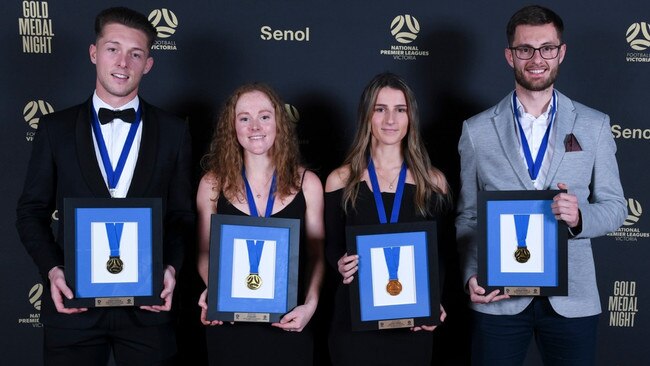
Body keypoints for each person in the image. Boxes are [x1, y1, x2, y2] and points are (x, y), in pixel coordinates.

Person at [15, 7, 194, 366]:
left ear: (148, 64)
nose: (123, 62)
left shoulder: (174, 131)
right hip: (73, 306)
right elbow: (30, 212)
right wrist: (53, 270)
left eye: (136, 53)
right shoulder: (54, 129)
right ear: (94, 53)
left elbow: (182, 215)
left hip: (148, 307)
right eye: (113, 49)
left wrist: (171, 269)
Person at [455, 5, 626, 365]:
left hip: (573, 300)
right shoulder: (477, 130)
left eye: (547, 48)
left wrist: (579, 218)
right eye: (525, 49)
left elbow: (615, 207)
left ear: (561, 52)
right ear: (509, 55)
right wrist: (472, 273)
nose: (536, 59)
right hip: (499, 298)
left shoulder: (594, 125)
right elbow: (469, 216)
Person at [325, 72, 452, 366]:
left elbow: (441, 255)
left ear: (411, 118)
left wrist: (435, 303)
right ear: (367, 115)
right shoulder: (339, 180)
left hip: (412, 321)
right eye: (380, 109)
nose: (390, 120)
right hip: (354, 323)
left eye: (400, 110)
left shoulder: (433, 183)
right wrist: (339, 262)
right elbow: (330, 246)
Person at [196, 82, 325, 365]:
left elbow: (317, 256)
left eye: (264, 116)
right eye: (244, 118)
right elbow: (205, 253)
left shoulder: (308, 183)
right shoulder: (212, 184)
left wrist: (310, 306)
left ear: (279, 122)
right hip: (230, 324)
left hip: (290, 320)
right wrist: (216, 291)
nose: (255, 126)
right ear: (232, 127)